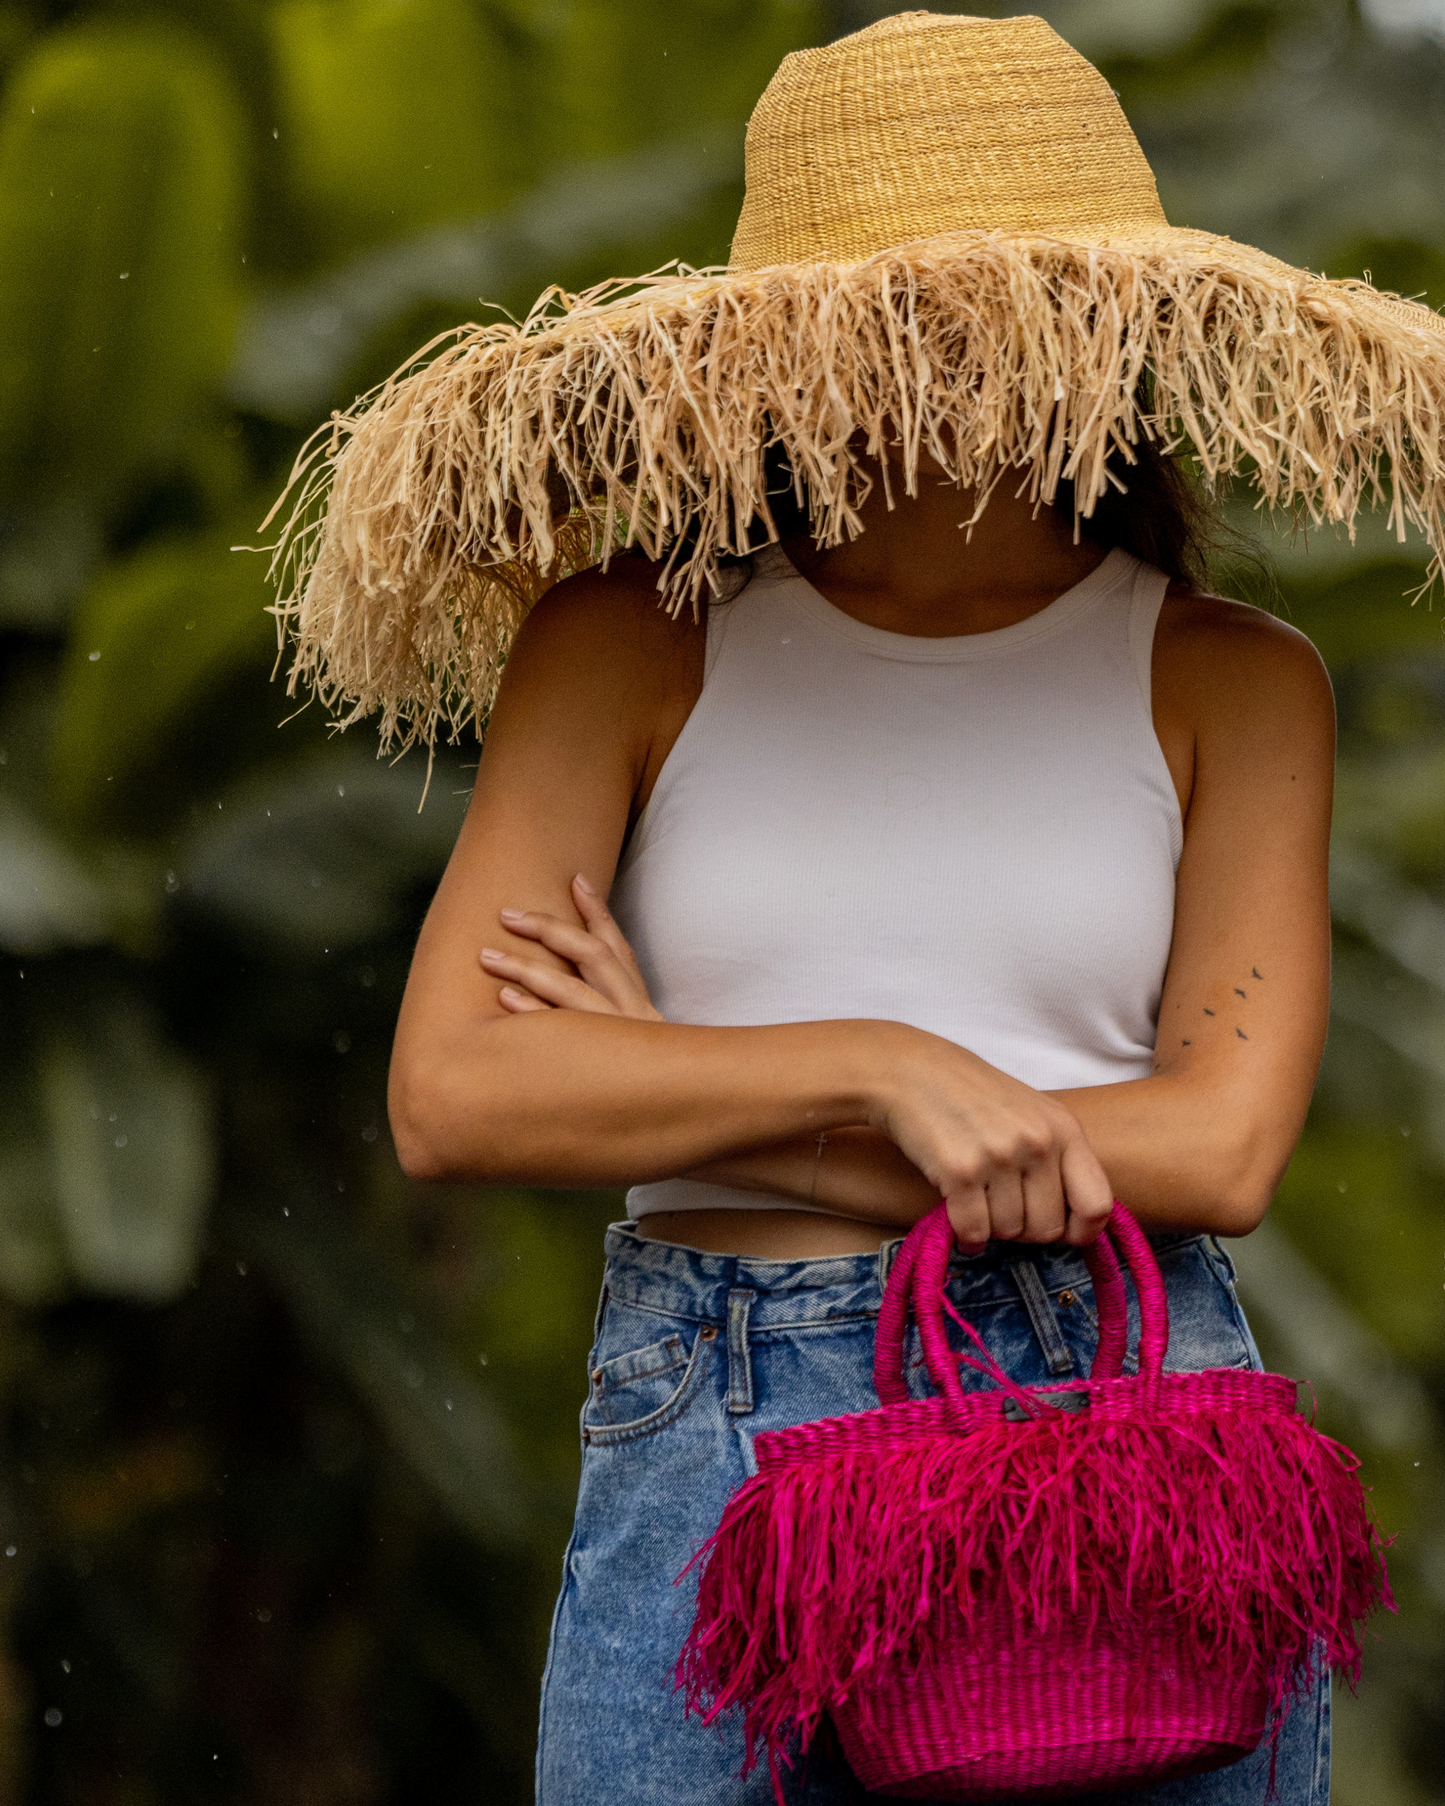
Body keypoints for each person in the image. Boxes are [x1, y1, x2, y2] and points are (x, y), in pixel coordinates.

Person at [268, 12, 1445, 1802]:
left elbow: (1219, 1147)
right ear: (780, 335)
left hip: (1107, 1413)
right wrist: (877, 1060)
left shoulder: (1234, 679)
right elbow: (457, 1092)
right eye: (905, 296)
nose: (960, 339)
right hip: (710, 1428)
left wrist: (693, 1086)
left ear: (1116, 313)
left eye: (1024, 289)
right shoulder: (628, 639)